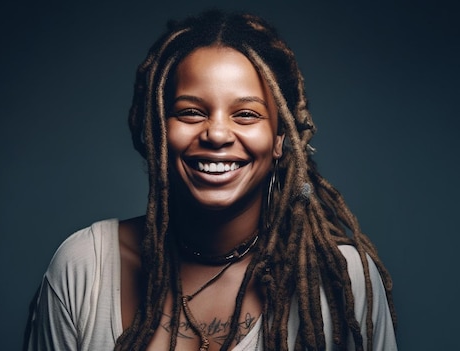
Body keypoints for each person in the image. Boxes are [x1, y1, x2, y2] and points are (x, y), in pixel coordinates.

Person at [23, 9, 397, 351]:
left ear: (280, 139)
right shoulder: (85, 268)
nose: (217, 134)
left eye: (246, 114)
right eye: (190, 112)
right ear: (158, 130)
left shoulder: (340, 280)